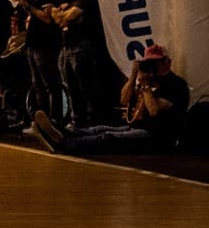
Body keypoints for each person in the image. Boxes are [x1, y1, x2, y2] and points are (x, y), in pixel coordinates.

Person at [31, 44, 190, 155]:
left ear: (167, 62)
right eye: (149, 63)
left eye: (155, 63)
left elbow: (154, 111)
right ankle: (58, 131)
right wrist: (133, 76)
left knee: (107, 138)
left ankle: (63, 144)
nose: (152, 67)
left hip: (155, 136)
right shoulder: (149, 80)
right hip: (136, 127)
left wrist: (145, 88)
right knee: (98, 129)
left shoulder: (176, 85)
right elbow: (124, 99)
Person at [54, 0, 112, 127]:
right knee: (71, 87)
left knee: (85, 86)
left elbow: (66, 17)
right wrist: (65, 17)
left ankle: (91, 121)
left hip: (82, 46)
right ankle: (77, 120)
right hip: (68, 46)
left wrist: (65, 17)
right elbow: (59, 19)